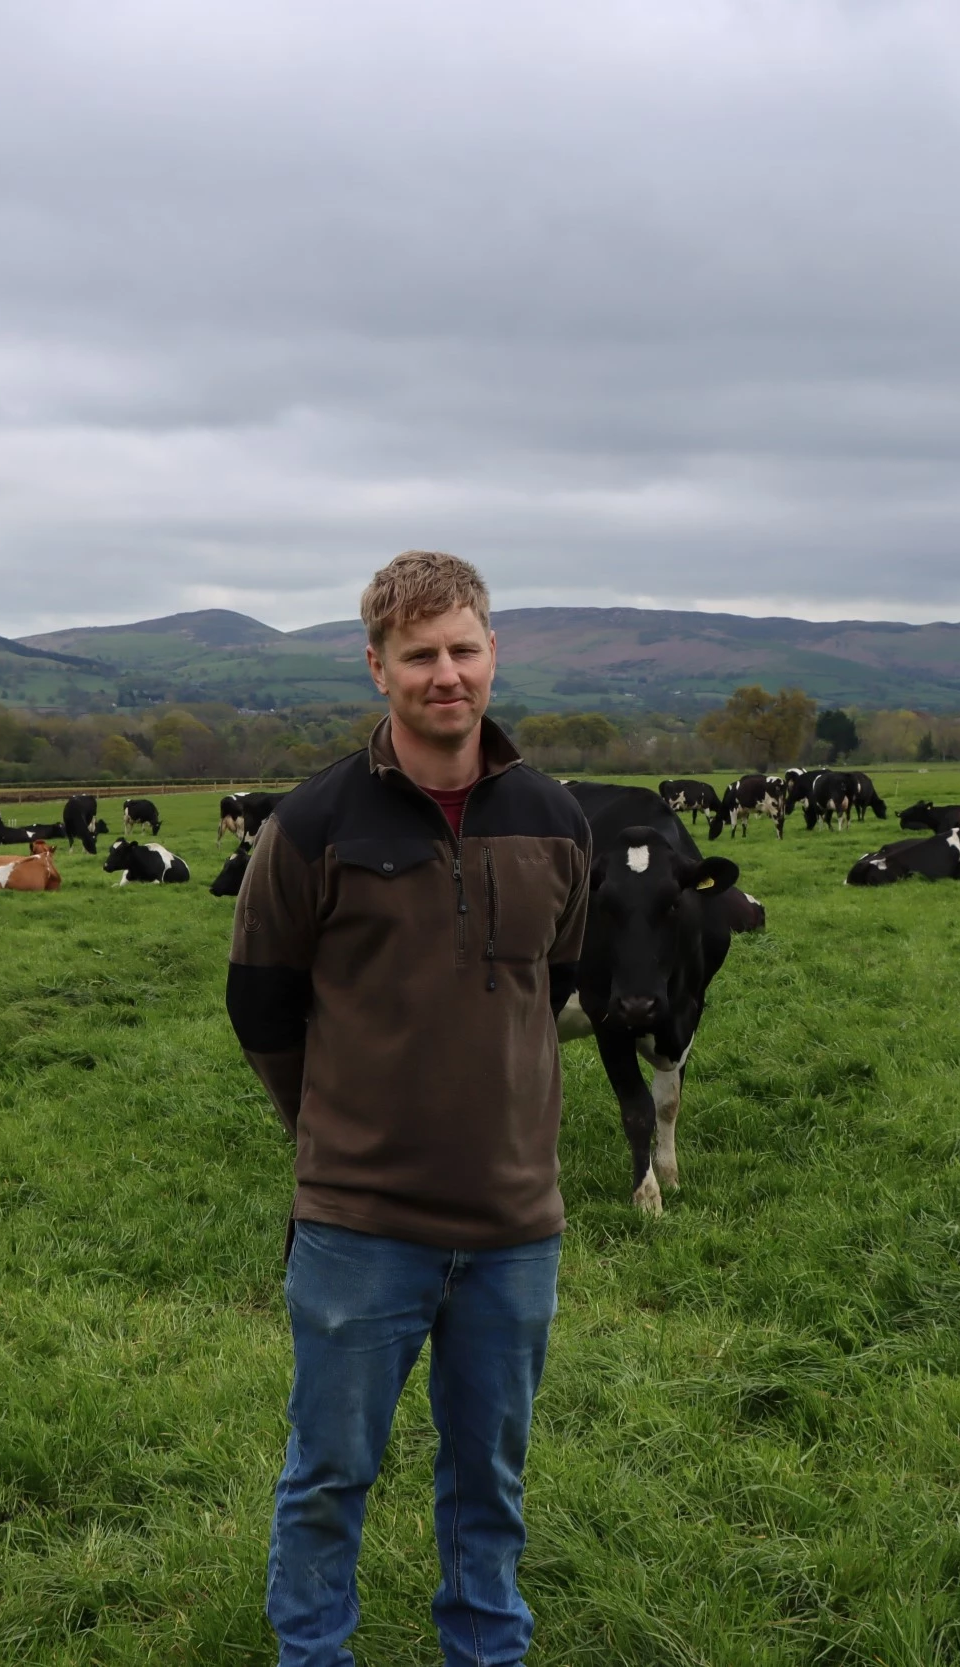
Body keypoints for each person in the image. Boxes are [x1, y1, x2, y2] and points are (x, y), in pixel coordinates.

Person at [228, 550, 591, 1667]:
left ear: (494, 655)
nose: (447, 674)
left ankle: (487, 1651)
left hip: (513, 1225)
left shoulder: (555, 819)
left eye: (464, 649)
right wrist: (338, 1135)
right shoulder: (312, 822)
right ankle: (313, 1654)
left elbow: (557, 982)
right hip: (359, 1224)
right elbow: (261, 1001)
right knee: (329, 1471)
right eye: (420, 654)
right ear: (376, 666)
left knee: (488, 1473)